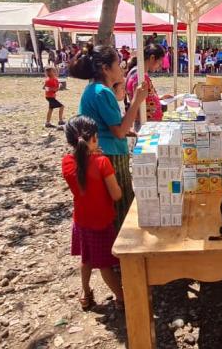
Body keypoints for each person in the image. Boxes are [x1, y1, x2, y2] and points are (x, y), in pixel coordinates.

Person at [73, 44, 148, 232]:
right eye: (118, 64)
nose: (122, 68)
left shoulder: (94, 90)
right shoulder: (102, 92)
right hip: (111, 156)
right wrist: (137, 100)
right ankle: (120, 247)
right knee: (121, 209)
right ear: (106, 68)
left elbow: (107, 125)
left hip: (103, 153)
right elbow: (119, 132)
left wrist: (126, 129)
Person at [62, 115, 125, 310]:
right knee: (105, 265)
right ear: (95, 138)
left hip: (81, 220)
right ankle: (121, 298)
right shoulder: (102, 162)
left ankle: (85, 292)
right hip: (101, 222)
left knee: (86, 258)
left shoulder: (66, 162)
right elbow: (116, 195)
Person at [125, 44, 171, 122]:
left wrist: (159, 98)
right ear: (152, 58)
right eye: (159, 62)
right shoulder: (140, 77)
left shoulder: (138, 73)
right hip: (146, 124)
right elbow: (136, 102)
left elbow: (143, 97)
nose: (160, 66)